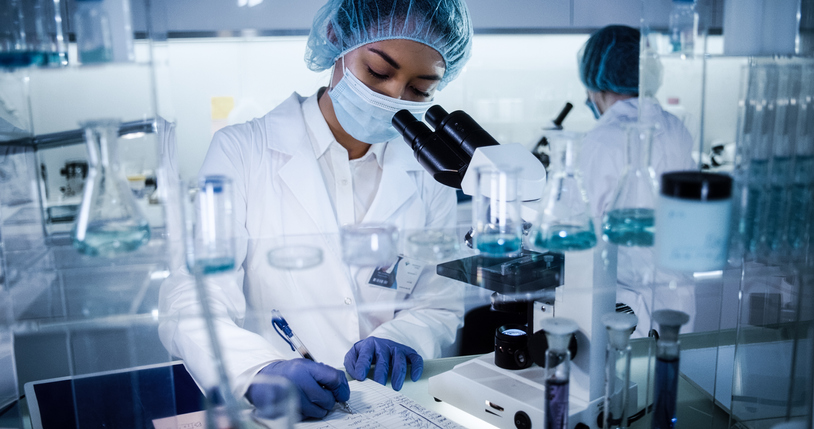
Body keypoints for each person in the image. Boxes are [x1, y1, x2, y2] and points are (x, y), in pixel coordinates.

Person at [158, 0, 473, 420]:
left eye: (420, 89)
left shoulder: (429, 172)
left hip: (388, 409)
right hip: (279, 414)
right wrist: (258, 370)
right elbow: (193, 296)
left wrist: (403, 338)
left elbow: (439, 301)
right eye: (378, 72)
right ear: (336, 39)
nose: (394, 97)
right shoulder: (243, 150)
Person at [577, 25, 697, 338]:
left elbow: (580, 226)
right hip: (677, 295)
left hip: (625, 302)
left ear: (595, 84)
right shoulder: (675, 127)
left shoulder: (602, 139)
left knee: (622, 384)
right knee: (668, 381)